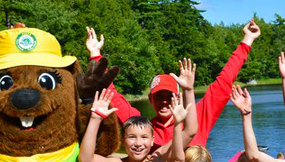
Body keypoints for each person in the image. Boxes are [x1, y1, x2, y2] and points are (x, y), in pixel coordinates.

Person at [84, 19, 261, 149]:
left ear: (178, 97)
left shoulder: (199, 118)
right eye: (158, 97)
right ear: (150, 99)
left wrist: (247, 40)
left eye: (169, 96)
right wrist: (95, 54)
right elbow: (111, 93)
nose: (164, 102)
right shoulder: (143, 129)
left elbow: (224, 82)